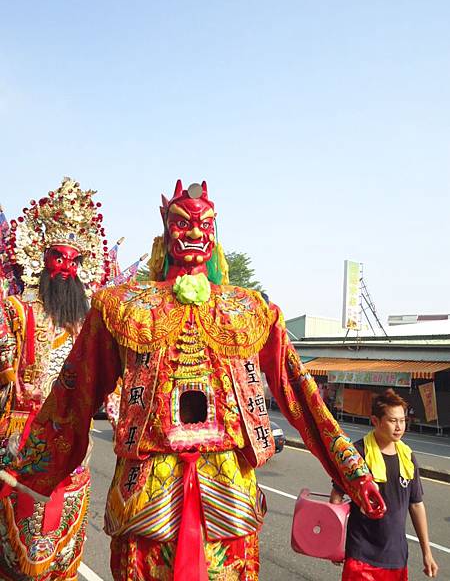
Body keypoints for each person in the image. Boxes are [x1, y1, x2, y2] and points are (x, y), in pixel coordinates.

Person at [1, 180, 386, 580]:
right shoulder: (123, 307)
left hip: (228, 488)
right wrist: (28, 473)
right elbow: (72, 395)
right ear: (165, 233)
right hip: (148, 487)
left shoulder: (250, 310)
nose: (196, 232)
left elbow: (301, 396)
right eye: (183, 224)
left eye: (205, 224)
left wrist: (352, 471)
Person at [0, 177, 111, 580]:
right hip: (21, 441)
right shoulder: (16, 310)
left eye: (73, 260)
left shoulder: (91, 320)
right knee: (18, 552)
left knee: (64, 546)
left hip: (74, 447)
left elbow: (109, 379)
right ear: (38, 256)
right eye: (57, 257)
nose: (66, 267)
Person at [330, 388, 439, 580]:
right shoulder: (357, 454)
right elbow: (337, 496)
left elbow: (416, 504)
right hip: (361, 555)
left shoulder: (408, 457)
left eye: (402, 420)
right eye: (392, 420)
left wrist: (427, 553)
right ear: (375, 421)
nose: (399, 426)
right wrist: (335, 542)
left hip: (396, 558)